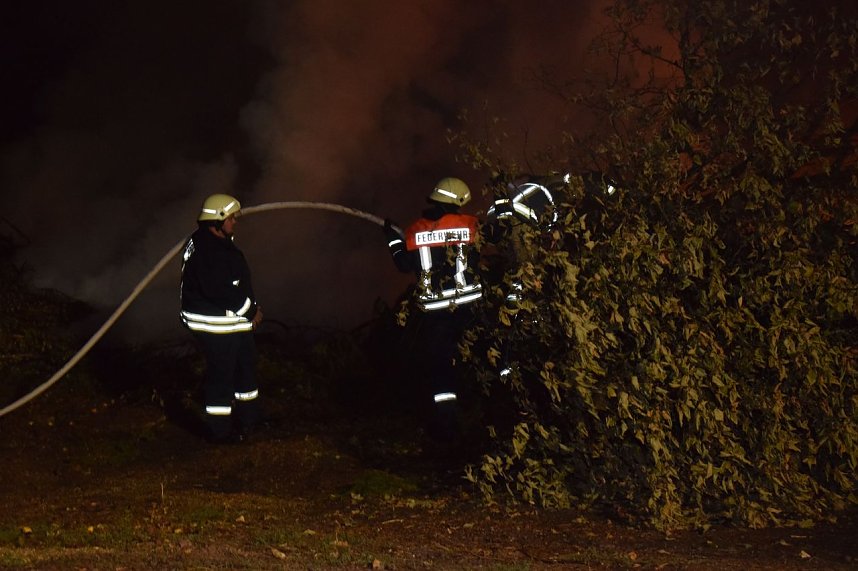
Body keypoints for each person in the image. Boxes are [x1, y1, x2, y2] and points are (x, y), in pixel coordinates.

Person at [383, 177, 482, 442]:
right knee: (473, 359)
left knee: (440, 365)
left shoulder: (416, 230)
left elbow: (404, 264)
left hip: (436, 314)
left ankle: (447, 425)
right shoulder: (471, 225)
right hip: (470, 310)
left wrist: (392, 239)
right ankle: (479, 412)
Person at [180, 193, 263, 444]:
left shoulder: (211, 242)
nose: (235, 222)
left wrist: (249, 310)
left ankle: (250, 420)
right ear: (217, 221)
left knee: (246, 368)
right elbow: (220, 290)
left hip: (231, 321)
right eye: (231, 218)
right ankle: (220, 432)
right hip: (216, 324)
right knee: (222, 376)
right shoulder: (209, 251)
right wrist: (251, 312)